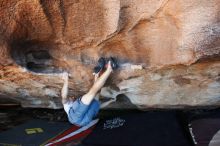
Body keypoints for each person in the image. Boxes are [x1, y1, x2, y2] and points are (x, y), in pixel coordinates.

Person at [61, 60, 113, 126]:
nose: (73, 97)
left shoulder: (72, 106)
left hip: (84, 122)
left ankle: (97, 74)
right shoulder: (67, 104)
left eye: (73, 97)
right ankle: (109, 69)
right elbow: (64, 96)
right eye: (71, 97)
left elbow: (99, 105)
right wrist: (66, 80)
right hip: (76, 119)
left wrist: (110, 101)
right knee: (92, 93)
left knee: (96, 94)